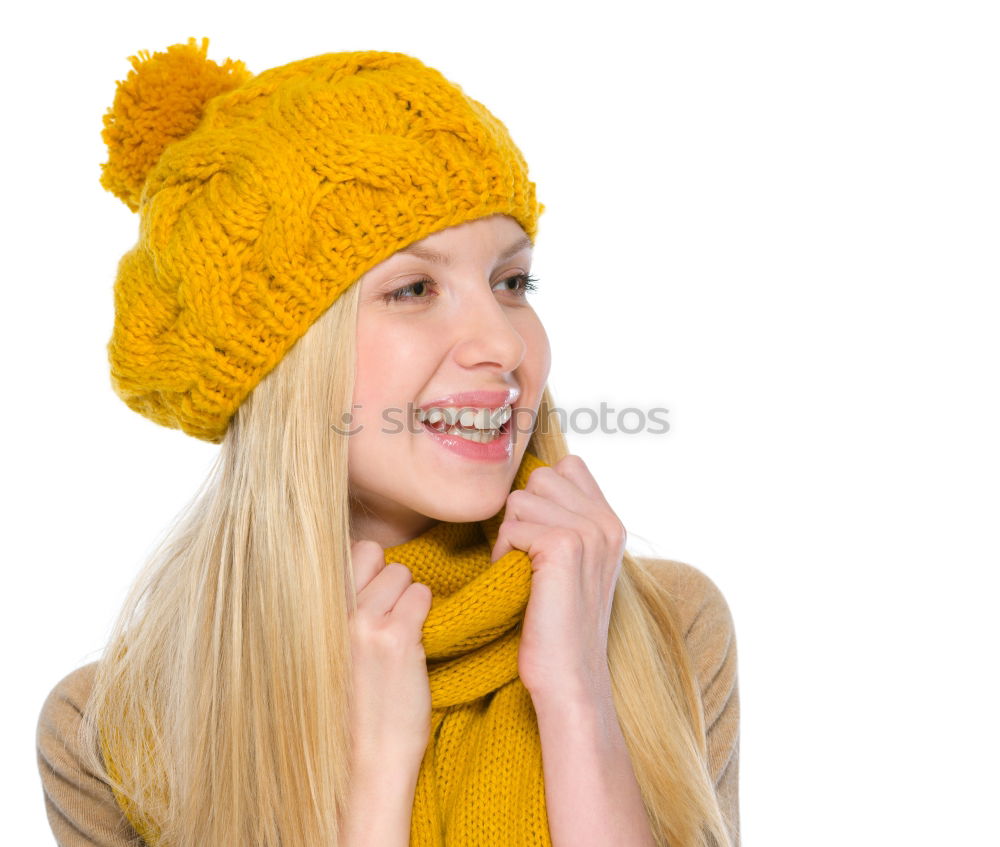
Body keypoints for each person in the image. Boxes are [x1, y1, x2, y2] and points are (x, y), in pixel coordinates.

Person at [35, 38, 740, 847]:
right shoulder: (113, 736)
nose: (503, 346)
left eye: (512, 283)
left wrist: (577, 697)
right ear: (287, 362)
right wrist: (376, 774)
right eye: (414, 288)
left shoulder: (669, 634)